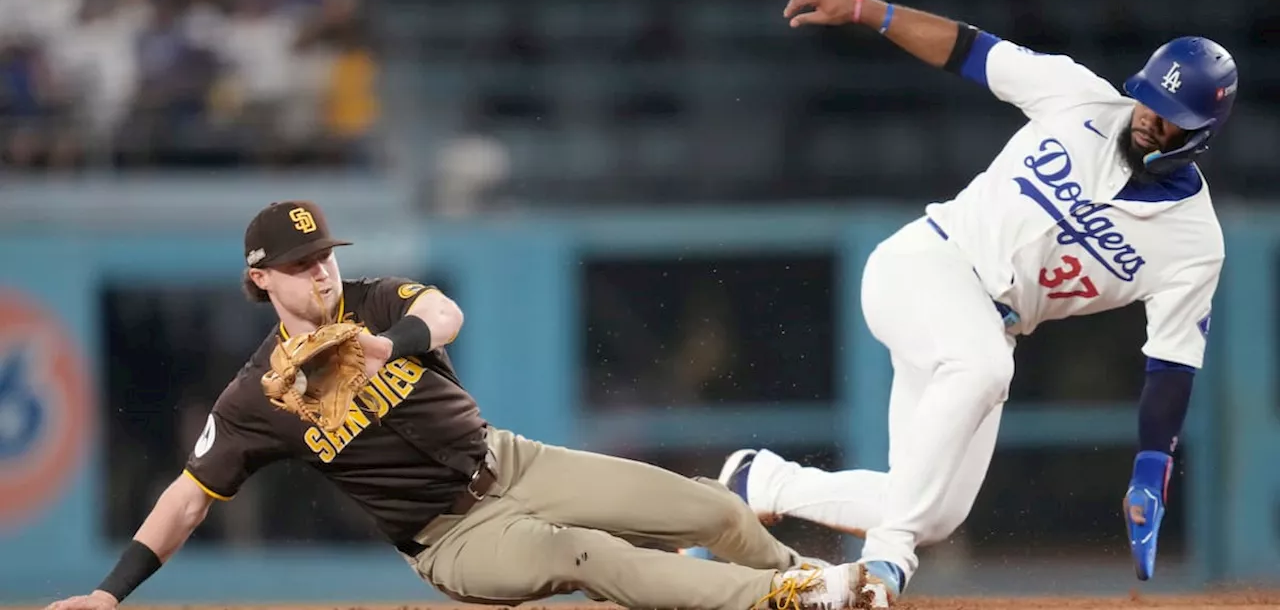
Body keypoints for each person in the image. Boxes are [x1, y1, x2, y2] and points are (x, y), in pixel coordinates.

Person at [45, 200, 867, 610]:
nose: (322, 272)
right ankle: (776, 602)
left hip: (511, 460)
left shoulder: (373, 305)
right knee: (584, 554)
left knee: (710, 509)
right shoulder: (258, 396)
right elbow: (188, 498)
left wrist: (381, 345)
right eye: (300, 264)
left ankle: (813, 584)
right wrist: (111, 593)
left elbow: (445, 311)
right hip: (452, 538)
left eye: (325, 255)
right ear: (262, 278)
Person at [708, 0, 1236, 607]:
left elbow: (1172, 360)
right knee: (984, 370)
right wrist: (860, 7)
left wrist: (1152, 465)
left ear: (1201, 134)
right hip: (927, 264)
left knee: (934, 509)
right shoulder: (1080, 98)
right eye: (1148, 99)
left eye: (1171, 119)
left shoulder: (1195, 243)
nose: (1149, 118)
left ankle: (754, 484)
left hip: (988, 324)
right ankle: (884, 565)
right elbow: (970, 50)